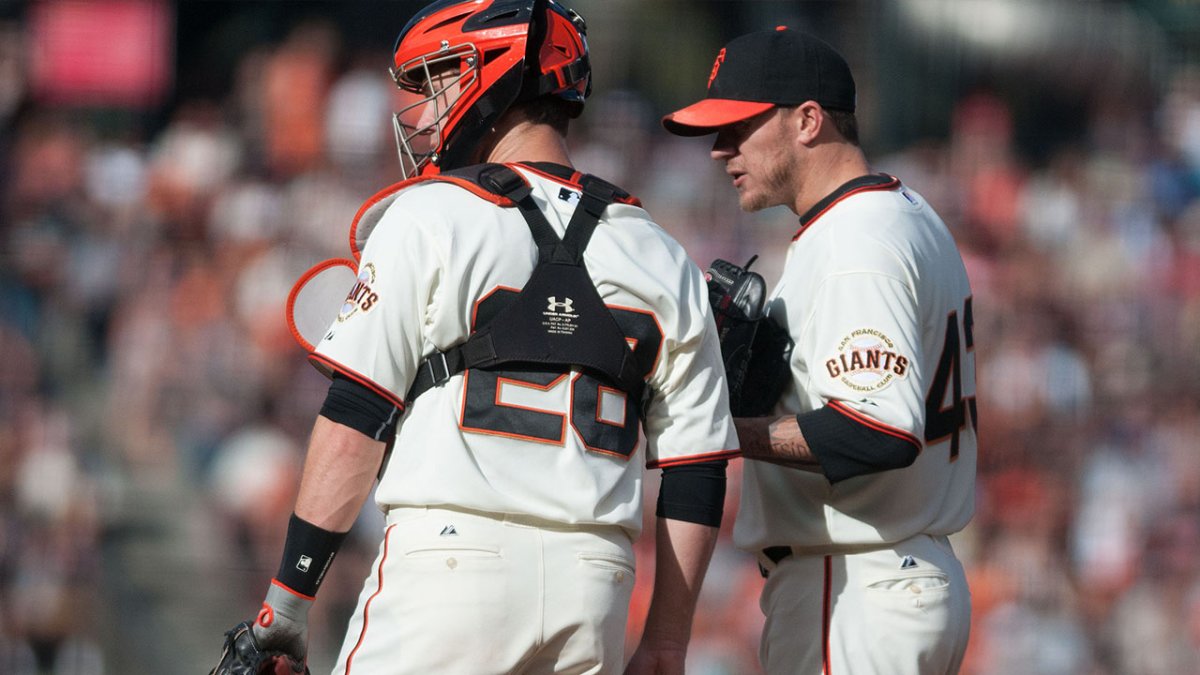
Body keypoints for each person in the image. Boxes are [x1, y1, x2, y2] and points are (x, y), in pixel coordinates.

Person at [214, 1, 739, 674]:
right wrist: (666, 638)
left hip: (451, 562)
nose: (426, 109)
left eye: (439, 79)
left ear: (496, 75)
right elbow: (697, 475)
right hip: (596, 584)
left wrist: (286, 601)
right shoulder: (663, 253)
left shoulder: (428, 216)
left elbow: (354, 419)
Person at [662, 27, 977, 675]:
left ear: (808, 121)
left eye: (740, 125)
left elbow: (880, 430)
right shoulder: (902, 212)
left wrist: (718, 428)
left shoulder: (855, 241)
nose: (721, 150)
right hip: (892, 575)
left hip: (857, 583)